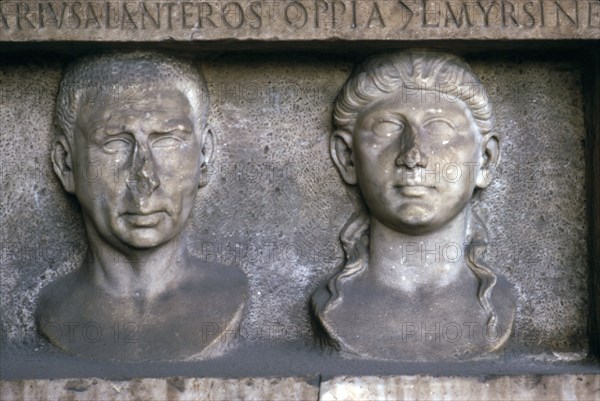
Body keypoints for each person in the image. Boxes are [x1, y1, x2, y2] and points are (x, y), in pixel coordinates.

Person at [35, 52, 248, 361]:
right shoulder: (54, 311)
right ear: (66, 164)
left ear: (205, 156)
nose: (145, 178)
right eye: (114, 143)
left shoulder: (228, 295)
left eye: (168, 140)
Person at [312, 50, 516, 361]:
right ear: (347, 157)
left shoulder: (501, 306)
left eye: (440, 128)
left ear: (485, 160)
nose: (413, 155)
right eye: (387, 128)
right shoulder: (331, 305)